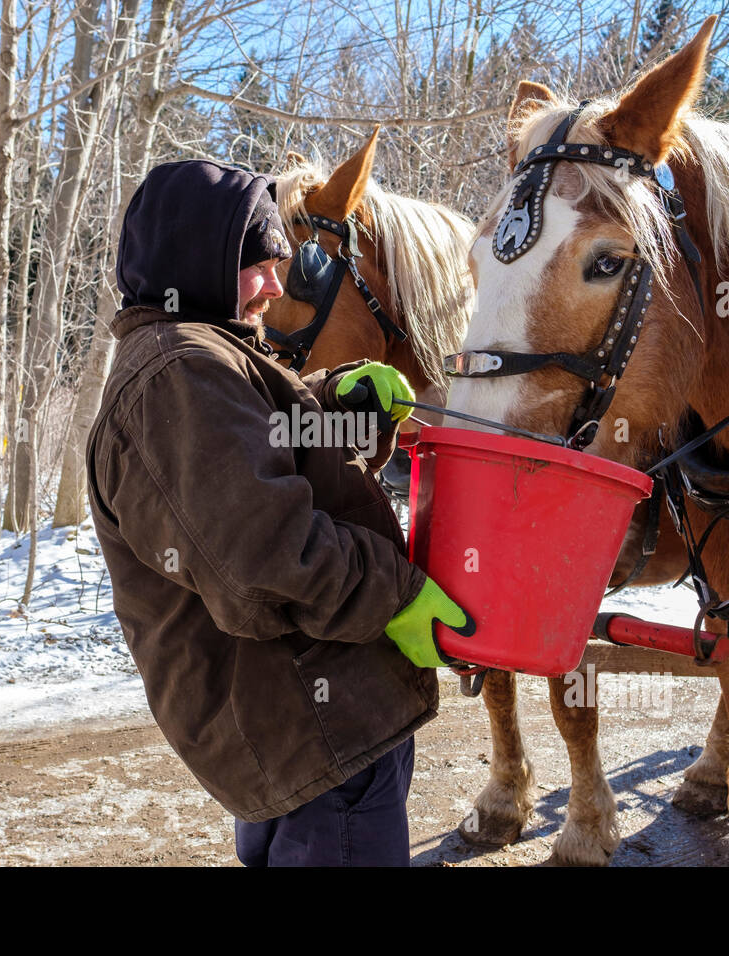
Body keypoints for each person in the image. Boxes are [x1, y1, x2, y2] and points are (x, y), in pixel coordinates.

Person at [85, 158, 473, 867]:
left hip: (300, 730)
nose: (274, 286)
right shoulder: (178, 372)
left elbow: (249, 463)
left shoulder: (201, 357)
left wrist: (335, 404)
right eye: (254, 265)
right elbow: (263, 560)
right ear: (194, 258)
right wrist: (399, 596)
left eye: (278, 265)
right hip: (317, 734)